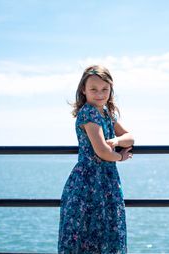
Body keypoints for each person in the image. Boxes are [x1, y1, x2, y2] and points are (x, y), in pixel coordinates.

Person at [58, 65, 134, 253]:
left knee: (106, 232)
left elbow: (130, 137)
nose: (99, 94)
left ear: (110, 90)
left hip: (106, 180)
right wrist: (120, 156)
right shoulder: (88, 113)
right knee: (88, 232)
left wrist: (116, 140)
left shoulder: (107, 113)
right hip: (89, 181)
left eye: (104, 89)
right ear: (83, 90)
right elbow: (101, 151)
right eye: (93, 89)